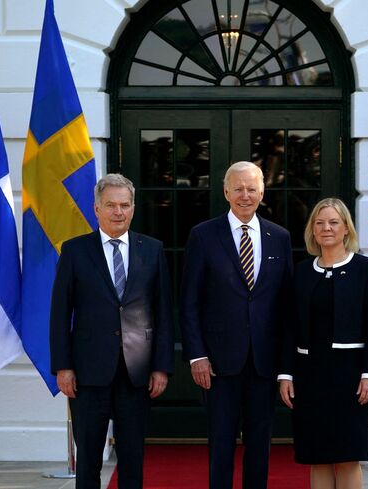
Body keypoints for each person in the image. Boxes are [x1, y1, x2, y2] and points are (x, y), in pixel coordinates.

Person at [50, 173, 174, 489]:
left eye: (124, 205)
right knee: (89, 457)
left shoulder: (152, 249)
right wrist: (62, 366)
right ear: (96, 209)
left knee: (133, 457)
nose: (118, 212)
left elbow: (163, 312)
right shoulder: (75, 251)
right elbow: (60, 313)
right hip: (88, 372)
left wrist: (162, 366)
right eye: (111, 205)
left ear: (133, 208)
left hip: (137, 372)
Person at [180, 161, 294, 489]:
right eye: (238, 188)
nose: (245, 195)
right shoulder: (203, 235)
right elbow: (189, 303)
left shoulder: (279, 237)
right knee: (221, 444)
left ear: (263, 192)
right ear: (226, 191)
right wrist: (197, 355)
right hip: (217, 363)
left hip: (264, 363)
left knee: (260, 445)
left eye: (252, 188)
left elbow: (286, 309)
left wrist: (286, 368)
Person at [278, 198, 368, 489]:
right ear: (312, 229)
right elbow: (289, 327)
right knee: (318, 455)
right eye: (320, 223)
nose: (326, 228)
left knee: (348, 455)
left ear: (346, 229)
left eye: (334, 222)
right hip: (309, 375)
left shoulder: (365, 269)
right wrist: (285, 374)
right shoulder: (300, 272)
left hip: (349, 377)